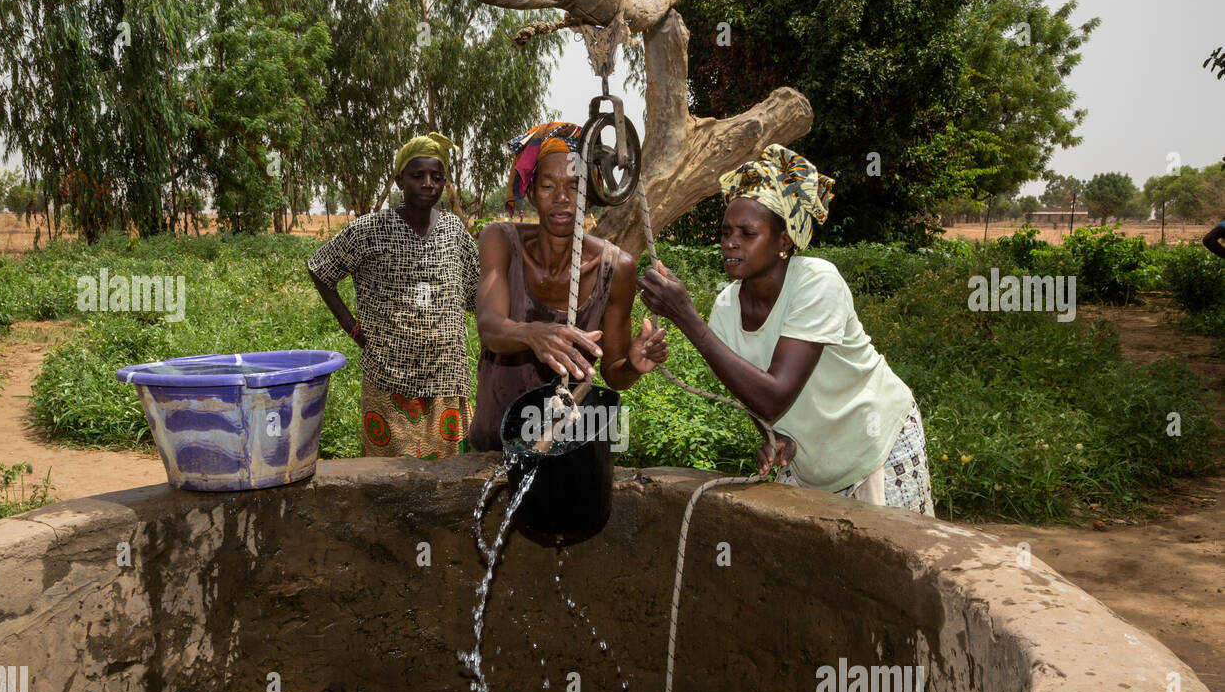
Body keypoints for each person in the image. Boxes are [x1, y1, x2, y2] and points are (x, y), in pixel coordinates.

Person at [637, 145, 935, 516]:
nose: (730, 242)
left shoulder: (817, 284)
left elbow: (775, 395)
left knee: (895, 563)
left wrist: (686, 318)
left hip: (876, 444)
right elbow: (750, 392)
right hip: (811, 460)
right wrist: (773, 437)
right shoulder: (726, 309)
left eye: (747, 233)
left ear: (785, 241)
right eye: (726, 231)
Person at [469, 122, 668, 452]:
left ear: (590, 194)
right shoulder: (500, 241)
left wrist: (633, 365)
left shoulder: (616, 268)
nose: (561, 198)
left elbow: (614, 372)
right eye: (548, 186)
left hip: (565, 448)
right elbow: (490, 327)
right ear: (531, 192)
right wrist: (533, 334)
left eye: (575, 186)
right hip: (496, 438)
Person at [307, 132, 478, 459]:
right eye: (418, 176)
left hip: (446, 378)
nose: (428, 183)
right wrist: (352, 327)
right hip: (389, 380)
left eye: (436, 177)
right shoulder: (370, 229)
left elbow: (479, 293)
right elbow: (320, 267)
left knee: (449, 483)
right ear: (400, 179)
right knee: (389, 485)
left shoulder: (454, 231)